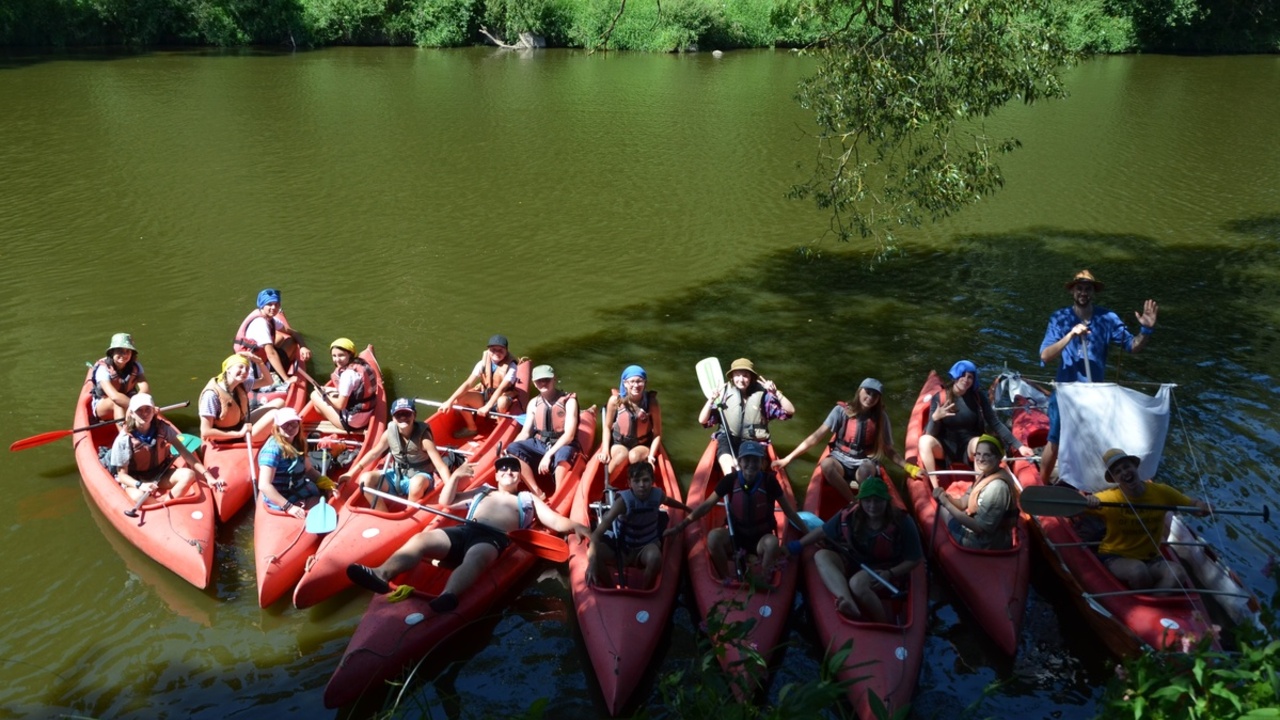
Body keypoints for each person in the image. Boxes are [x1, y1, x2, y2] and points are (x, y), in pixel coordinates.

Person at [345, 455, 589, 613]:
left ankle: (448, 595)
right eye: (503, 468)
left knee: (477, 557)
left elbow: (553, 520)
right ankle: (380, 573)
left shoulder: (527, 499)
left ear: (519, 476)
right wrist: (456, 477)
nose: (508, 472)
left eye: (514, 469)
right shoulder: (482, 490)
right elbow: (446, 501)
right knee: (421, 540)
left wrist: (576, 525)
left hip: (493, 538)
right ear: (496, 475)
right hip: (465, 530)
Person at [1038, 269, 1158, 483]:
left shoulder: (1107, 318)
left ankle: (1100, 482)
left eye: (1088, 289)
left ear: (1093, 292)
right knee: (1055, 440)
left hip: (1095, 394)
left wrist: (1146, 331)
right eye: (1079, 288)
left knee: (1101, 440)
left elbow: (1132, 346)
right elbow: (1045, 356)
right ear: (1073, 291)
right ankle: (1042, 485)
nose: (1083, 292)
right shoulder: (1059, 317)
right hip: (1066, 392)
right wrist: (1070, 334)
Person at [786, 475, 923, 623]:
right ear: (861, 501)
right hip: (854, 560)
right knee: (821, 555)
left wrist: (889, 573)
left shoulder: (902, 521)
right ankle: (847, 601)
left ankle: (882, 623)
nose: (872, 506)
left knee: (857, 583)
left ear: (886, 501)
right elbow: (822, 531)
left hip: (885, 568)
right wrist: (797, 545)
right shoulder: (850, 514)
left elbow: (915, 559)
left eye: (878, 501)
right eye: (867, 501)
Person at [670, 441, 807, 582]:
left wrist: (808, 532)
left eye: (755, 460)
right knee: (713, 538)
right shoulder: (730, 480)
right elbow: (706, 506)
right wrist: (681, 526)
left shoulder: (770, 482)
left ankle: (763, 579)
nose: (751, 464)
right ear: (740, 462)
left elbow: (789, 513)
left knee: (772, 543)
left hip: (761, 539)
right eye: (746, 460)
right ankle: (726, 578)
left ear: (762, 463)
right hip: (736, 536)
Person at [1084, 448, 1206, 590]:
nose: (1124, 473)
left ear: (1134, 466)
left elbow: (1192, 504)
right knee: (1138, 571)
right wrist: (1089, 501)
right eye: (1117, 471)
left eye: (1126, 466)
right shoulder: (1108, 498)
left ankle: (1157, 603)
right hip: (1116, 556)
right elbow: (1074, 509)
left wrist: (1202, 506)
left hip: (1151, 557)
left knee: (1178, 574)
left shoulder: (1161, 492)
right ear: (1114, 478)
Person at [773, 378, 906, 505]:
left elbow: (888, 450)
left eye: (875, 395)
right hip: (840, 459)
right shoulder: (840, 411)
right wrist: (788, 459)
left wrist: (909, 468)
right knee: (826, 465)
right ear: (860, 391)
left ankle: (865, 501)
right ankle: (853, 502)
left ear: (878, 399)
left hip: (864, 461)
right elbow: (815, 437)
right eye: (868, 392)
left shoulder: (881, 418)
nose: (870, 398)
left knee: (866, 471)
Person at [918, 360, 1033, 484]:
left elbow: (995, 423)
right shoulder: (940, 397)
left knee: (980, 442)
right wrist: (935, 418)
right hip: (945, 448)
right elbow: (930, 433)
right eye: (962, 375)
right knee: (924, 441)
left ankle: (979, 487)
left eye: (970, 377)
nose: (965, 380)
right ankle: (935, 487)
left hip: (969, 448)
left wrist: (1019, 446)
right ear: (955, 375)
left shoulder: (978, 397)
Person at [586, 462, 690, 589]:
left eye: (646, 480)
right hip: (622, 548)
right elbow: (596, 535)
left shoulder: (657, 495)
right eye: (637, 481)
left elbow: (669, 501)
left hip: (646, 547)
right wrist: (592, 564)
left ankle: (645, 591)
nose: (642, 485)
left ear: (652, 481)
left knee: (655, 557)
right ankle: (610, 587)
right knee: (594, 554)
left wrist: (686, 508)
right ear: (629, 483)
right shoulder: (622, 502)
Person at [341, 398, 455, 510]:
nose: (403, 418)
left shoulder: (424, 439)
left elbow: (440, 466)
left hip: (419, 476)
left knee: (417, 484)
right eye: (398, 415)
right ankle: (383, 514)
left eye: (407, 414)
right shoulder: (389, 433)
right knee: (365, 479)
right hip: (397, 475)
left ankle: (409, 512)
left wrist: (452, 492)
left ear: (414, 415)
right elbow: (374, 453)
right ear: (393, 418)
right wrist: (351, 473)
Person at [107, 393, 212, 503]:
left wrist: (207, 475)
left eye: (148, 409)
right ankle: (157, 506)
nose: (144, 414)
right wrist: (140, 485)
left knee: (189, 474)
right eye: (139, 410)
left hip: (160, 473)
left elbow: (185, 453)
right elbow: (122, 475)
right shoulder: (123, 440)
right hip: (136, 478)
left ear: (153, 411)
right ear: (132, 413)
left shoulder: (163, 429)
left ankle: (166, 503)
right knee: (138, 497)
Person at [698, 358, 794, 475]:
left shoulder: (764, 396)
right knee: (729, 468)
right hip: (729, 438)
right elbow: (703, 420)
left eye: (745, 375)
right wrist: (711, 399)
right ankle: (731, 481)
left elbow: (790, 411)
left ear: (751, 377)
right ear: (732, 377)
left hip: (753, 440)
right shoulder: (723, 394)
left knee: (751, 471)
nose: (741, 379)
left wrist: (776, 393)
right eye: (737, 375)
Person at [932, 435, 1018, 550]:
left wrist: (946, 504)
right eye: (978, 454)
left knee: (941, 511)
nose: (981, 459)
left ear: (998, 458)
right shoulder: (985, 475)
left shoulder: (996, 488)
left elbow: (979, 528)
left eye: (987, 455)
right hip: (983, 536)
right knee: (943, 506)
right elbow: (963, 503)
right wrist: (946, 497)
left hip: (984, 543)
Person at [508, 365, 579, 499]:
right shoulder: (533, 403)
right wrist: (507, 451)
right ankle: (537, 492)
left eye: (547, 379)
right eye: (539, 380)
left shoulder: (569, 401)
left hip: (562, 444)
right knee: (513, 448)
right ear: (534, 383)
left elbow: (569, 435)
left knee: (563, 456)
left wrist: (548, 456)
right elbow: (525, 433)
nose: (543, 383)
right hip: (540, 443)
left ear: (554, 379)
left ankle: (559, 495)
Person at [441, 334, 521, 437]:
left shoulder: (512, 366)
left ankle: (500, 426)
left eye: (501, 350)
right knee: (460, 398)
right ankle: (472, 428)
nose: (496, 353)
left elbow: (501, 389)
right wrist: (449, 401)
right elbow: (468, 383)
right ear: (488, 350)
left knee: (501, 401)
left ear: (506, 350)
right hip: (487, 395)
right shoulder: (482, 363)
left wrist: (487, 407)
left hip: (502, 398)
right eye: (493, 350)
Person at [256, 407, 329, 520]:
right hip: (283, 500)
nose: (290, 427)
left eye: (294, 424)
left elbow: (309, 470)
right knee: (321, 501)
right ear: (277, 427)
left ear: (299, 425)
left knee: (326, 495)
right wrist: (289, 507)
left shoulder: (299, 442)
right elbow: (264, 485)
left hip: (297, 490)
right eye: (285, 424)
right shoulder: (272, 450)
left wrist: (326, 484)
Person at [232, 287, 311, 386]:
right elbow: (271, 354)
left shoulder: (270, 319)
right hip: (254, 368)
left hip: (255, 357)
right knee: (292, 343)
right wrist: (287, 379)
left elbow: (294, 333)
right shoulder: (260, 323)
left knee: (281, 338)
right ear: (262, 305)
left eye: (277, 304)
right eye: (269, 304)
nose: (274, 308)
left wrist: (303, 347)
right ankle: (281, 371)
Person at [198, 354, 281, 445]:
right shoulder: (211, 395)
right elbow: (205, 431)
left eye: (247, 369)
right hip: (228, 436)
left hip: (240, 425)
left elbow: (268, 381)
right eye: (240, 367)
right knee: (275, 414)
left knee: (280, 402)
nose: (244, 371)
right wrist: (239, 434)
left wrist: (260, 362)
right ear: (228, 369)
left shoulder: (241, 384)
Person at [598, 365, 663, 476]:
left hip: (642, 444)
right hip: (619, 442)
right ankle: (608, 485)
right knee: (621, 455)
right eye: (631, 382)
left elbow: (657, 434)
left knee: (634, 456)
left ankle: (635, 484)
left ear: (645, 382)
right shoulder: (615, 401)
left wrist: (651, 456)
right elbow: (607, 427)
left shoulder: (652, 403)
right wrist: (605, 450)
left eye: (639, 381)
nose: (636, 385)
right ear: (624, 383)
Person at [310, 338, 377, 432]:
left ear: (350, 354)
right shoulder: (362, 364)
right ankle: (331, 416)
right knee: (326, 391)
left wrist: (323, 395)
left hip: (353, 423)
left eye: (341, 355)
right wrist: (326, 390)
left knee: (314, 395)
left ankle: (334, 420)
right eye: (334, 356)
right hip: (368, 413)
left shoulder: (347, 375)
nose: (337, 360)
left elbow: (340, 405)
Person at [91, 333, 149, 421]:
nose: (124, 355)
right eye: (120, 351)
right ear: (112, 352)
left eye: (128, 351)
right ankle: (124, 434)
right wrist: (138, 408)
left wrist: (143, 405)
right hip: (104, 406)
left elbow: (145, 388)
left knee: (145, 399)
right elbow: (114, 396)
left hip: (129, 403)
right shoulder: (103, 369)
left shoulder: (136, 366)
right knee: (117, 403)